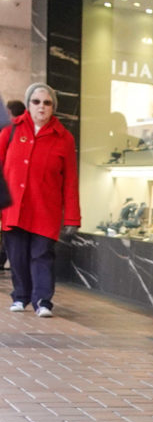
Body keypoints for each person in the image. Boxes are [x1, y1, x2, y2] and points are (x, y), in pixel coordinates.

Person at [0, 83, 81, 318]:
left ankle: (43, 300)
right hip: (15, 208)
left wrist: (73, 217)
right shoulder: (10, 131)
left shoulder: (63, 138)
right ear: (28, 105)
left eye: (47, 102)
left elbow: (71, 181)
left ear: (53, 107)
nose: (41, 107)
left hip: (46, 210)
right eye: (36, 102)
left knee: (41, 255)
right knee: (17, 256)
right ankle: (21, 296)